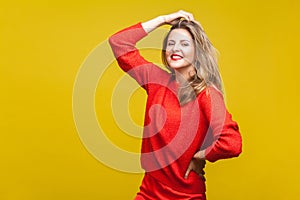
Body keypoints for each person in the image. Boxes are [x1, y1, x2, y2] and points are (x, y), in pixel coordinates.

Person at [109, 10, 242, 200]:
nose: (175, 48)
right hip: (149, 190)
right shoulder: (155, 80)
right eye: (170, 43)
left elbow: (232, 143)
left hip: (185, 194)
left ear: (198, 51)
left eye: (184, 44)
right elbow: (118, 43)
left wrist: (200, 156)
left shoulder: (206, 93)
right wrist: (162, 20)